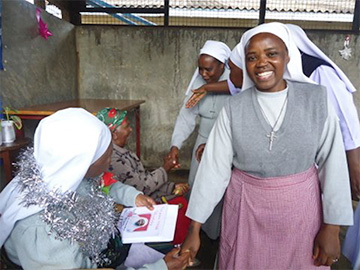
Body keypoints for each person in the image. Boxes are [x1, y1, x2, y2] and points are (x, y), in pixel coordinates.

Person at [181, 22, 353, 269]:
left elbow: (333, 165)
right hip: (245, 211)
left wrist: (332, 227)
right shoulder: (233, 109)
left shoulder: (316, 100)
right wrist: (194, 228)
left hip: (301, 213)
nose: (262, 62)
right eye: (252, 57)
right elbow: (213, 171)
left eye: (271, 53)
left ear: (287, 57)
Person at [186, 24, 360, 202]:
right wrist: (219, 146)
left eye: (232, 71)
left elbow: (347, 119)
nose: (230, 77)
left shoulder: (318, 72)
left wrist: (355, 167)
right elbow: (235, 89)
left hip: (305, 172)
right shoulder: (262, 84)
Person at [0, 108, 189, 270]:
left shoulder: (64, 174)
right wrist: (160, 267)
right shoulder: (41, 230)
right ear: (83, 163)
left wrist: (133, 197)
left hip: (94, 248)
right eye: (107, 157)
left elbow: (101, 183)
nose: (109, 163)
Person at [167, 40, 231, 240]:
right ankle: (197, 231)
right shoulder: (198, 84)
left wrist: (215, 145)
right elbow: (186, 117)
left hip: (228, 143)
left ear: (223, 65)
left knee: (220, 187)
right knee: (196, 184)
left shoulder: (237, 83)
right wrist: (175, 145)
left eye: (209, 69)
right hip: (202, 140)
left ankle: (217, 233)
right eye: (200, 69)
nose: (204, 74)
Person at [96, 107, 189, 202]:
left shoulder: (119, 151)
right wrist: (165, 168)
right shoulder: (113, 159)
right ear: (114, 134)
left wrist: (172, 187)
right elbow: (142, 187)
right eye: (126, 126)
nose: (131, 129)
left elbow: (141, 177)